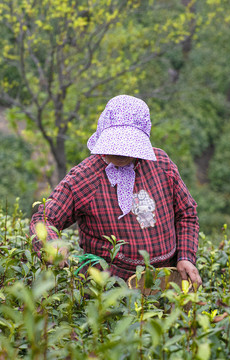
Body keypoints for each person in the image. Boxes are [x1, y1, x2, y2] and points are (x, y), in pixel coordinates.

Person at [29, 95, 202, 287]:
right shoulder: (85, 177)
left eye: (129, 146)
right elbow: (44, 219)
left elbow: (186, 213)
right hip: (109, 286)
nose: (121, 153)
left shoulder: (160, 164)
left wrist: (185, 256)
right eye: (116, 145)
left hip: (167, 278)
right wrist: (52, 244)